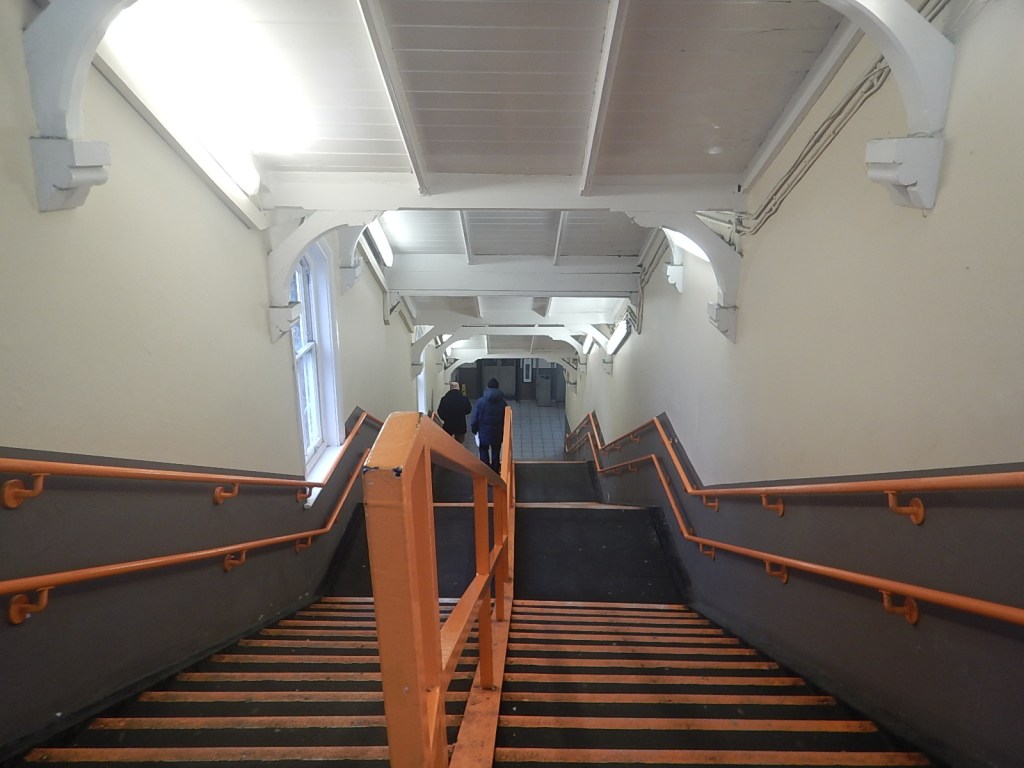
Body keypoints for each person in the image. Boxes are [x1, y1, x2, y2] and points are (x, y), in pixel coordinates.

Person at [471, 378, 508, 473]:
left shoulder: (480, 402)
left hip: (483, 432)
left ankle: (486, 471)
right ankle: (495, 471)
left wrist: (474, 430)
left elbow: (475, 419)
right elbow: (506, 419)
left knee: (483, 450)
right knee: (496, 451)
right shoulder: (503, 403)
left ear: (487, 387)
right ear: (498, 388)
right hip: (497, 433)